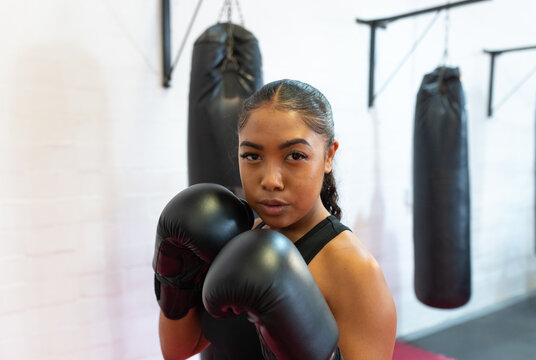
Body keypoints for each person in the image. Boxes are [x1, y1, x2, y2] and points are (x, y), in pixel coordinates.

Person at [155, 79, 397, 359]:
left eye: (295, 155)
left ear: (329, 156)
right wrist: (175, 278)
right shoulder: (235, 238)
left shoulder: (355, 271)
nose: (271, 180)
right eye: (252, 155)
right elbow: (176, 350)